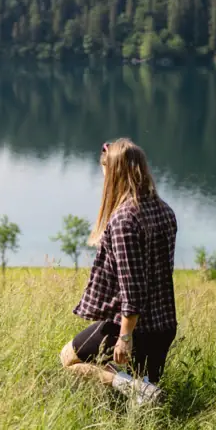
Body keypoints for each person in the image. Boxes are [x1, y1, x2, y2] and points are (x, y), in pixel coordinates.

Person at [60, 138, 178, 392]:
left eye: (105, 175)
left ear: (115, 174)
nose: (104, 182)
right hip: (164, 325)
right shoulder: (165, 211)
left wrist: (125, 338)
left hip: (130, 327)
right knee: (144, 405)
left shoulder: (124, 219)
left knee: (68, 358)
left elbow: (132, 289)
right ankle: (135, 389)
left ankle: (129, 386)